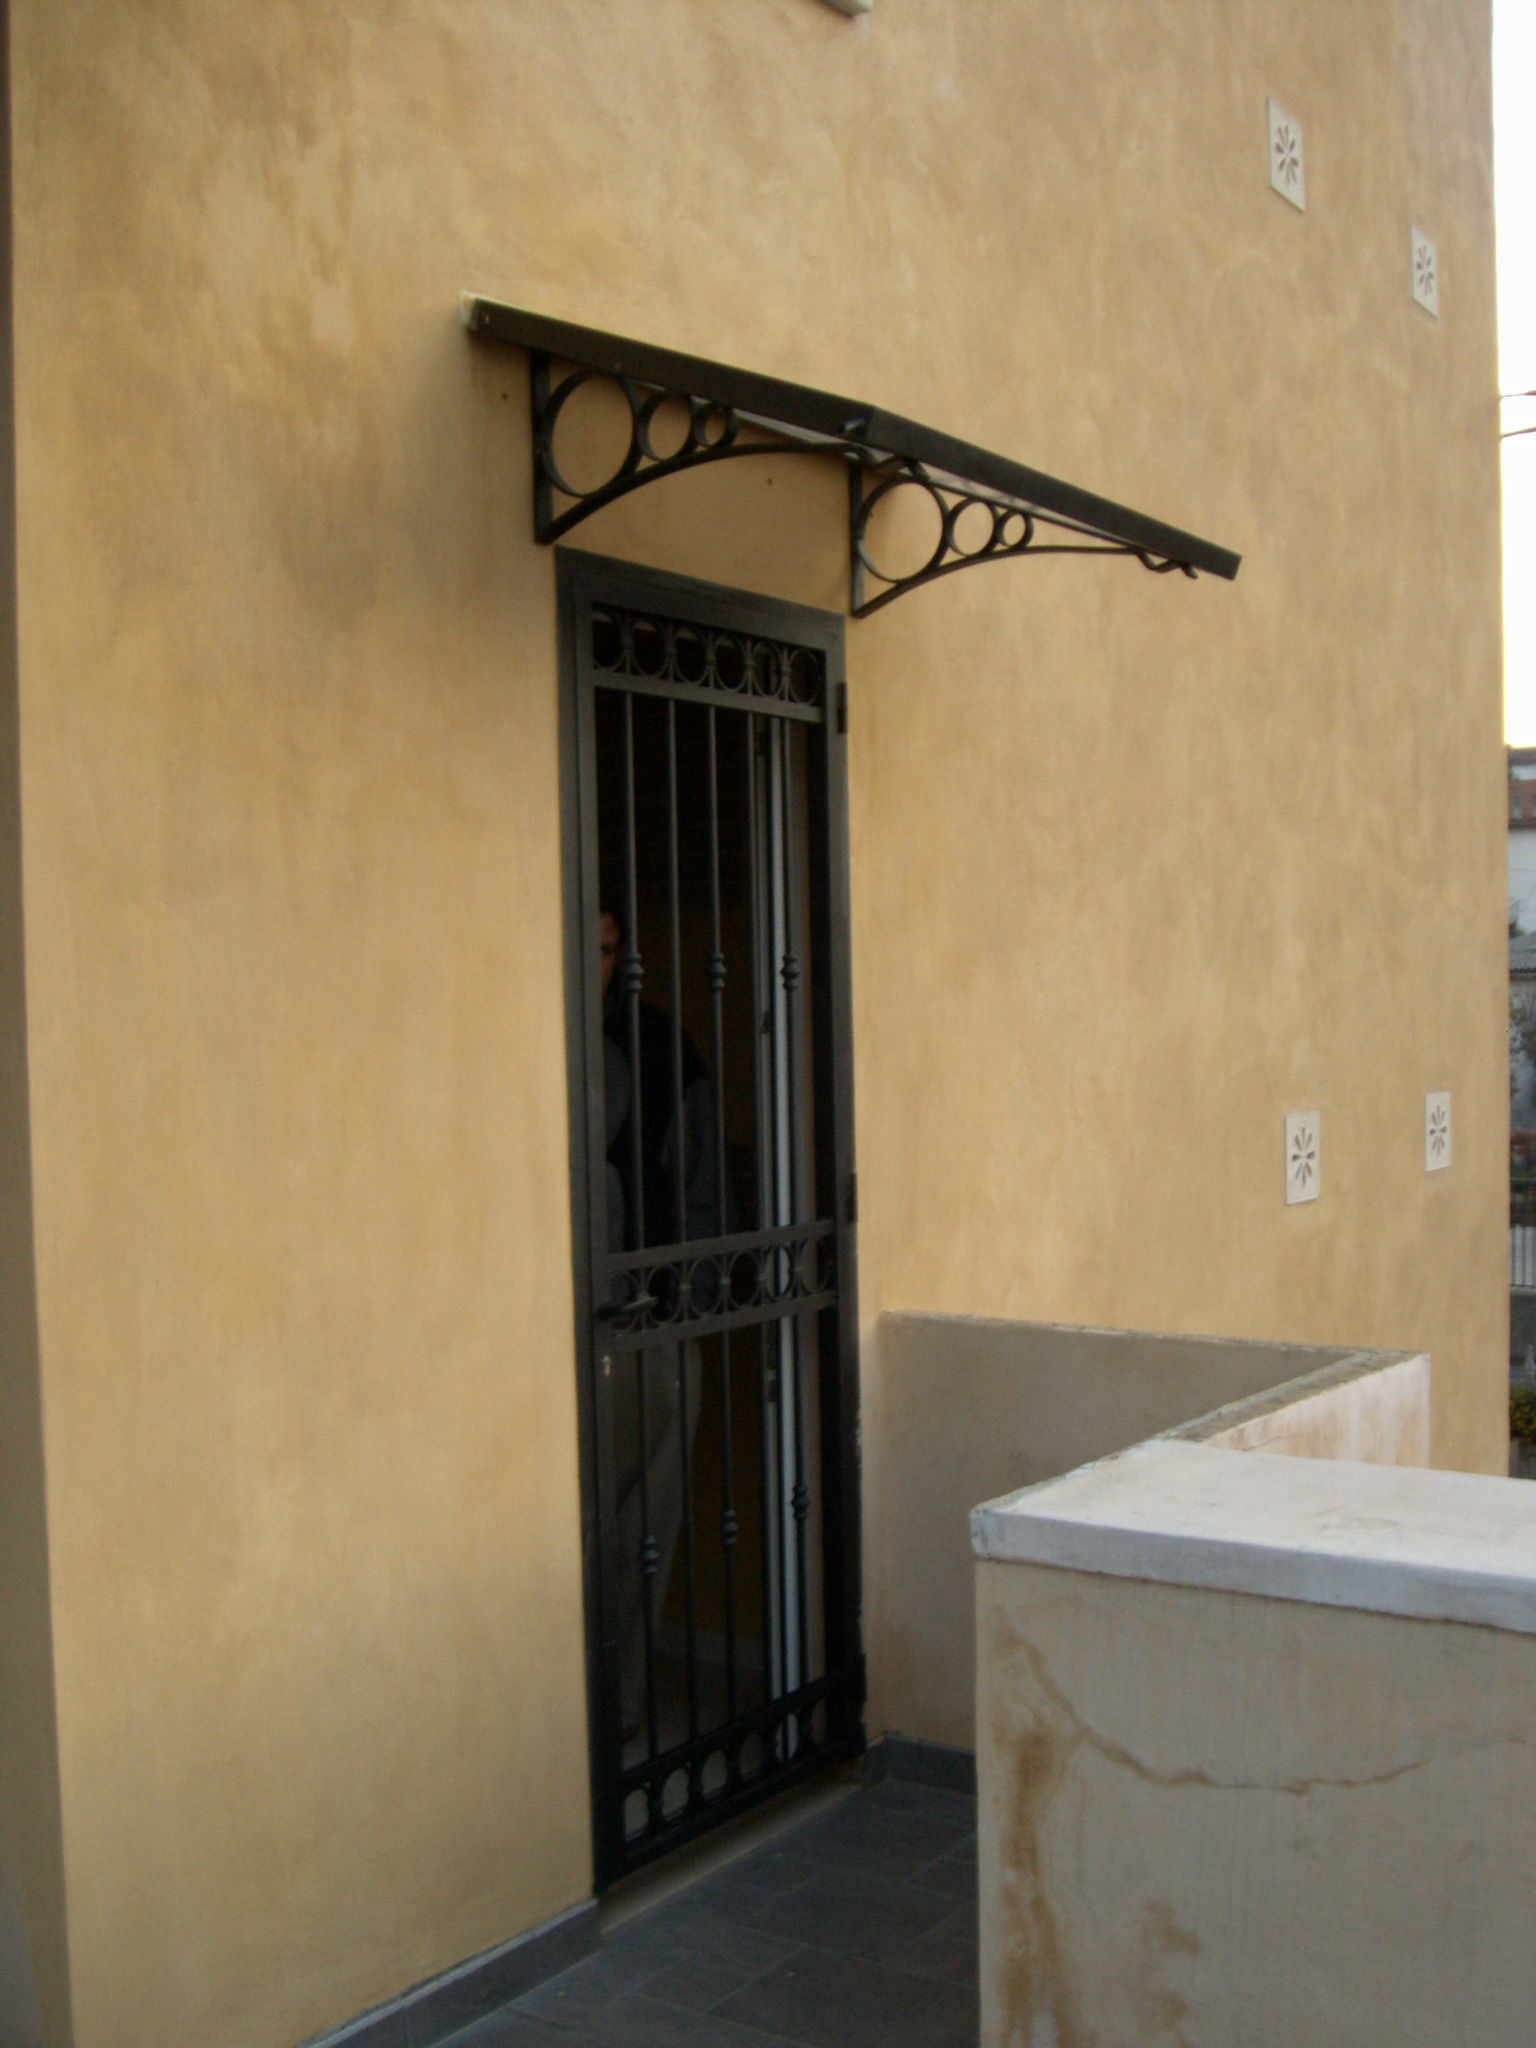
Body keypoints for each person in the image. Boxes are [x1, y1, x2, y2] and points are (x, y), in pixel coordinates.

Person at [597, 908, 726, 1739]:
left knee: (647, 1527)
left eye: (605, 950)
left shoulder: (660, 1049)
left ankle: (621, 1710)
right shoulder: (530, 1039)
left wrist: (688, 1311)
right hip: (570, 1328)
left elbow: (700, 1185)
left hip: (651, 1320)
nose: (592, 965)